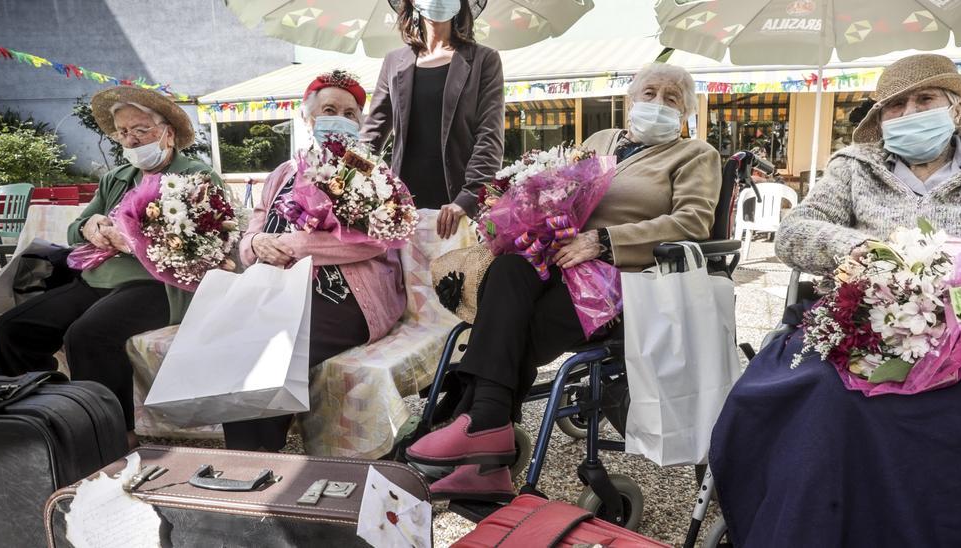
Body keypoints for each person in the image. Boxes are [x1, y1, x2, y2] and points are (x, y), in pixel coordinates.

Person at [710, 54, 961, 547]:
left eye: (925, 99)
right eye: (895, 105)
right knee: (820, 402)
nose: (909, 111)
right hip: (873, 319)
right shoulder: (854, 167)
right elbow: (795, 231)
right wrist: (862, 253)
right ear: (880, 118)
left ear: (956, 108)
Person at [405, 63, 720, 501]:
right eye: (650, 93)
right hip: (556, 261)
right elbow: (559, 191)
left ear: (686, 111)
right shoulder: (600, 141)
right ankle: (487, 430)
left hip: (620, 281)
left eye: (672, 99)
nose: (658, 104)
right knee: (509, 270)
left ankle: (480, 428)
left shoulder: (695, 155)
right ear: (631, 99)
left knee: (511, 327)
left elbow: (693, 222)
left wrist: (604, 241)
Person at [0, 87, 224, 448]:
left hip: (154, 285)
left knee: (88, 335)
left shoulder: (196, 177)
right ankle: (36, 420)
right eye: (123, 132)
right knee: (13, 328)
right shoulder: (115, 178)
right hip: (95, 279)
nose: (131, 139)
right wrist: (89, 226)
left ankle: (113, 435)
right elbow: (74, 229)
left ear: (168, 133)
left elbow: (208, 244)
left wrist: (134, 242)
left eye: (141, 130)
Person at [228, 72, 408, 452]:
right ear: (308, 118)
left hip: (345, 296)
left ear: (359, 123)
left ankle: (255, 459)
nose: (339, 118)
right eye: (329, 109)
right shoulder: (282, 174)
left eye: (349, 112)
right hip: (275, 289)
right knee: (238, 338)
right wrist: (258, 243)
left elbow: (374, 241)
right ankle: (245, 462)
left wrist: (293, 245)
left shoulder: (371, 172)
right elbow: (250, 234)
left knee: (277, 345)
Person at [362, 0, 504, 239]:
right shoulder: (394, 62)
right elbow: (371, 136)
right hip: (402, 212)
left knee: (458, 277)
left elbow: (489, 137)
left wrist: (468, 198)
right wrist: (345, 185)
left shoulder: (484, 60)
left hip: (457, 211)